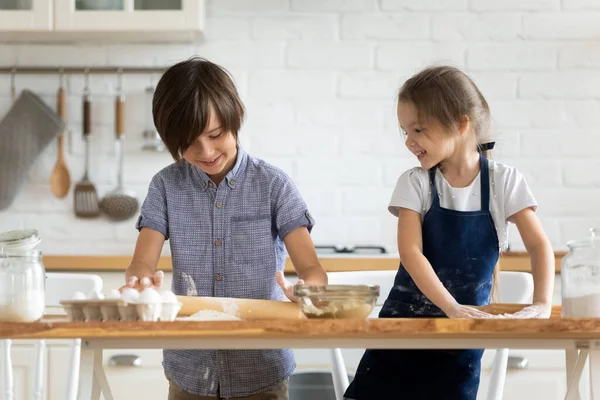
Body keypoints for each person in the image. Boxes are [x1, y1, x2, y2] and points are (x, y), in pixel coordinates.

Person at [344, 65, 555, 400]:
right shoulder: (414, 183)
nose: (409, 142)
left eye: (418, 130)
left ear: (460, 124)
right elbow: (411, 253)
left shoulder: (504, 182)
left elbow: (540, 246)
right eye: (404, 132)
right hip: (402, 332)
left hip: (459, 341)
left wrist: (542, 304)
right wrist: (451, 306)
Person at [124, 57, 327, 400]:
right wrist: (140, 280)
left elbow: (312, 269)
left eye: (215, 135)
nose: (205, 151)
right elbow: (142, 262)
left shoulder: (274, 185)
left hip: (261, 368)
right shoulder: (165, 186)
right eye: (189, 143)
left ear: (236, 115)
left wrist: (308, 290)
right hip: (189, 369)